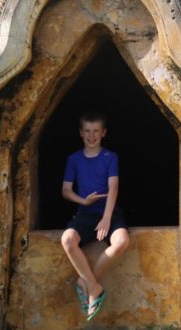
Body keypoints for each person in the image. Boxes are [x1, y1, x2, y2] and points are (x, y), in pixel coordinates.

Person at [60, 112, 130, 323]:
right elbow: (65, 190)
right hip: (85, 213)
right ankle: (94, 287)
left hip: (109, 212)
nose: (92, 136)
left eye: (96, 131)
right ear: (81, 133)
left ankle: (86, 283)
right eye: (87, 131)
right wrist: (84, 202)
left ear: (103, 133)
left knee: (122, 241)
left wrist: (107, 218)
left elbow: (113, 187)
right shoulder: (74, 159)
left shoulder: (110, 157)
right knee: (67, 240)